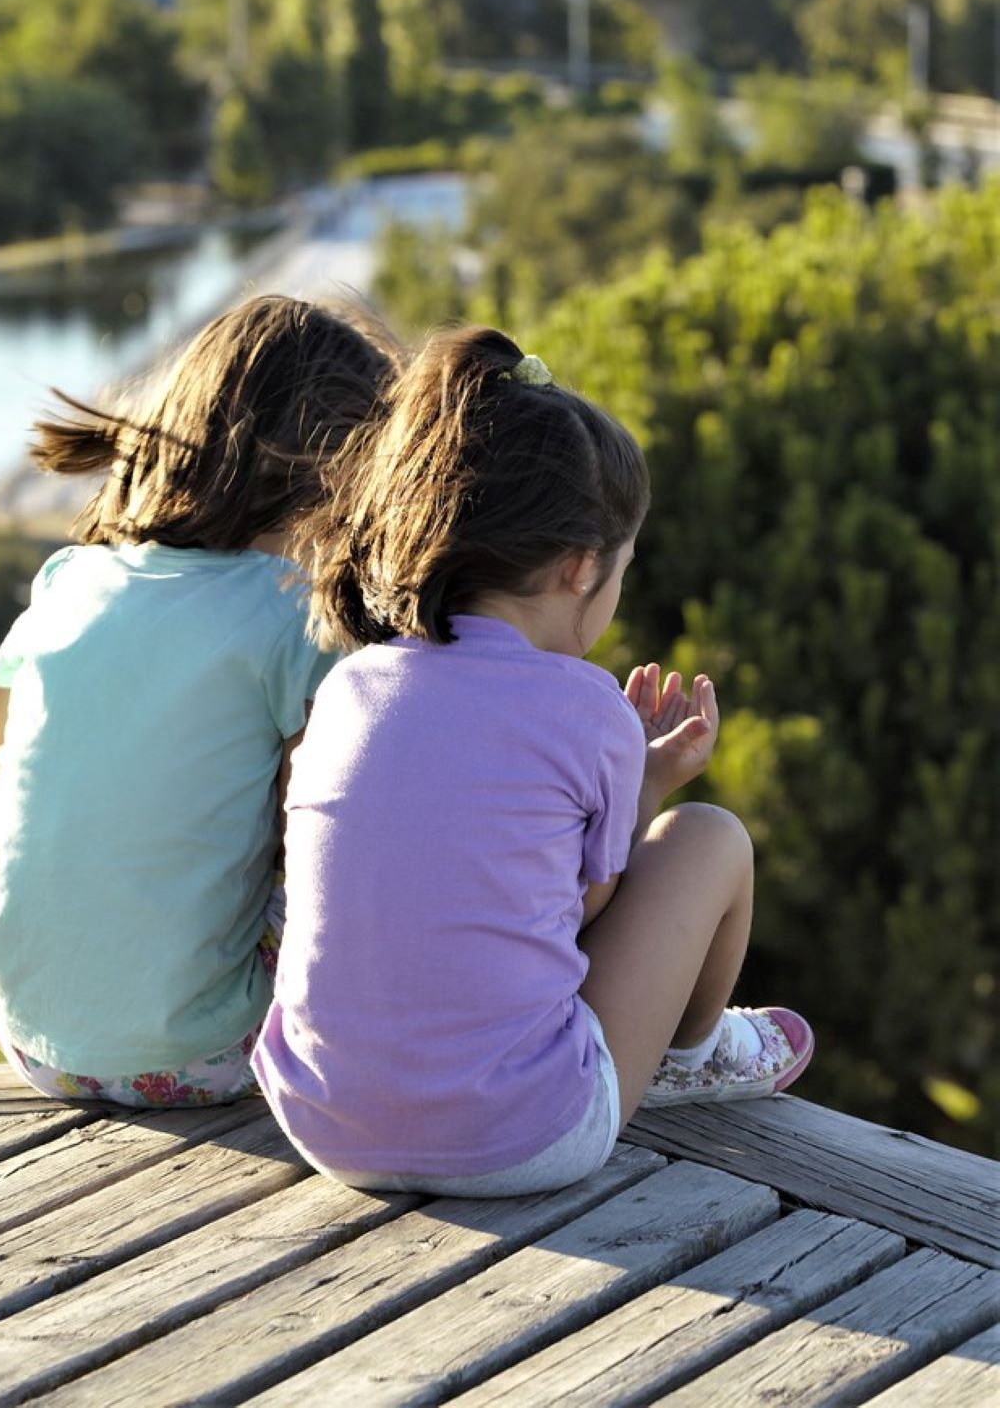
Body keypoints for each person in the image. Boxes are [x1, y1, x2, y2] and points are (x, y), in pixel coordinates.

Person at [253, 326, 813, 1195]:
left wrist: (637, 776)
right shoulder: (586, 707)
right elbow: (578, 911)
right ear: (580, 567)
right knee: (709, 836)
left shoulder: (352, 687)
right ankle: (693, 1053)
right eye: (623, 567)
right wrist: (650, 784)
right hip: (519, 1136)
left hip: (324, 1121)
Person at [0, 294, 396, 1108]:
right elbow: (325, 823)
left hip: (25, 1032)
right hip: (207, 1049)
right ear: (333, 479)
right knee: (360, 834)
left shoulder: (71, 577)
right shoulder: (295, 612)